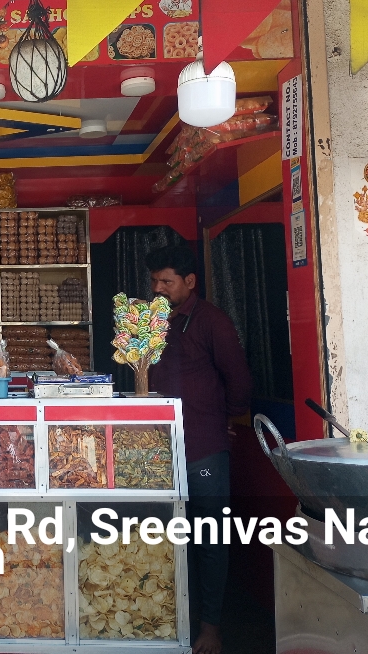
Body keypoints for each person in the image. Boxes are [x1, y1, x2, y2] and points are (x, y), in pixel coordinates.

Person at [144, 245, 252, 654]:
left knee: (210, 539)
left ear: (190, 281)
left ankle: (211, 627)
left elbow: (239, 380)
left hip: (203, 448)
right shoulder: (152, 322)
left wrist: (224, 419)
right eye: (154, 281)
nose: (158, 288)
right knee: (168, 539)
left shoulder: (213, 322)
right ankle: (169, 622)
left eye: (166, 281)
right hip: (158, 451)